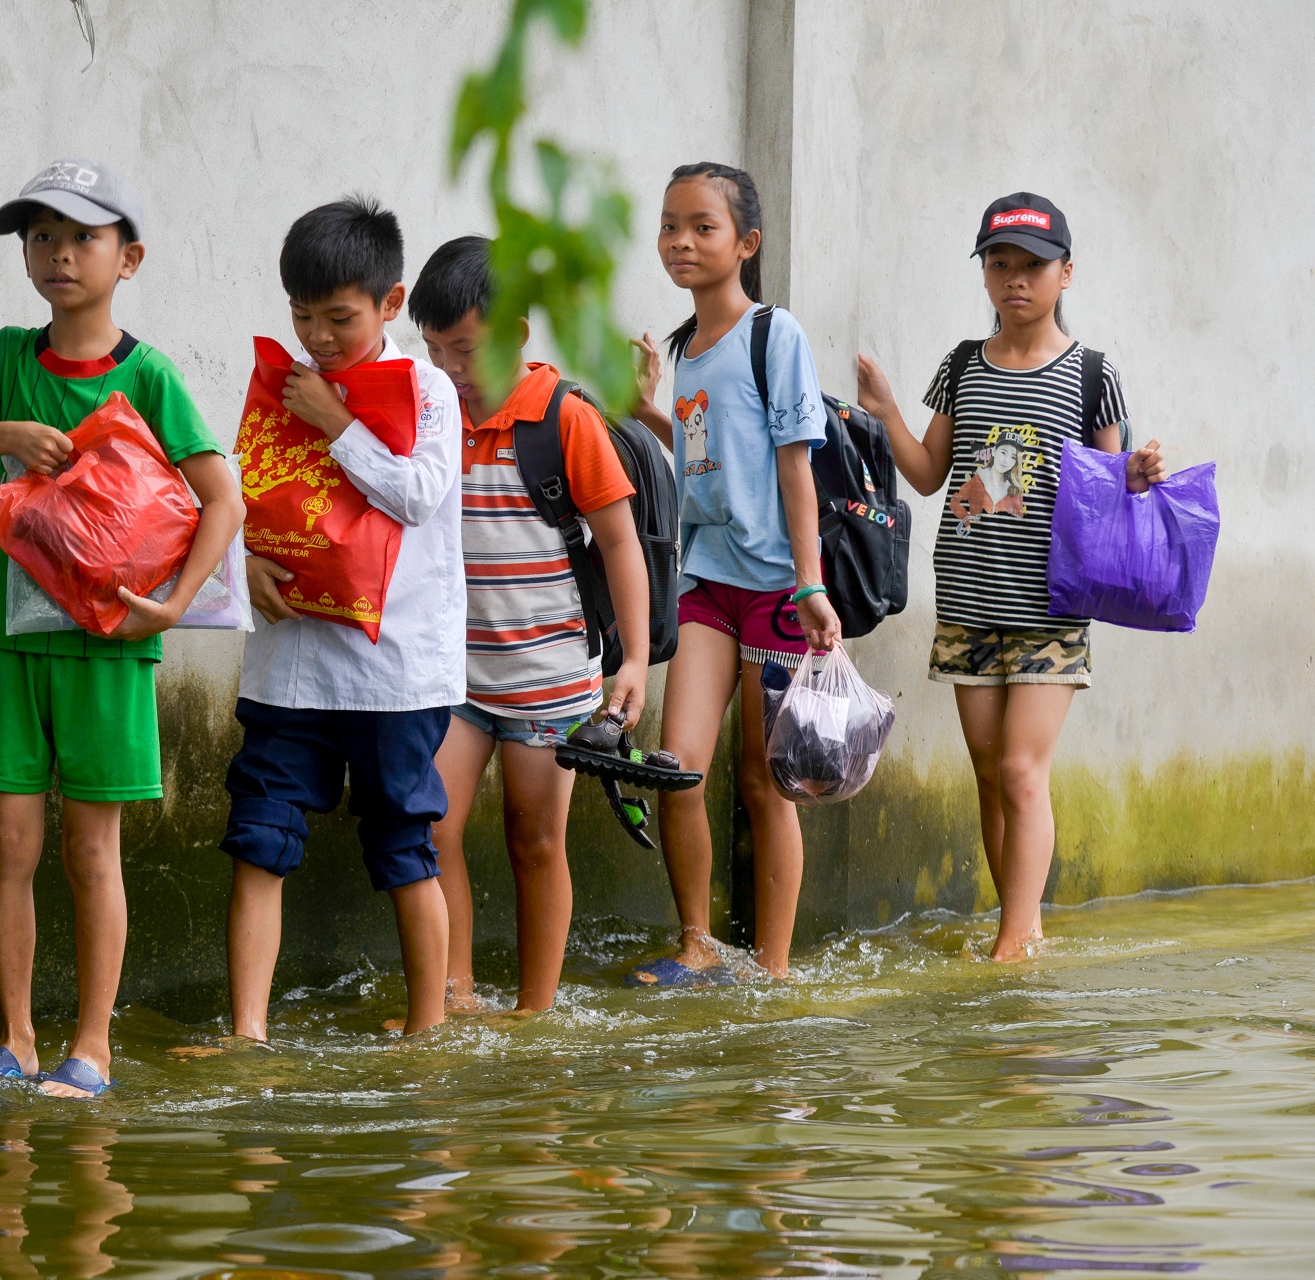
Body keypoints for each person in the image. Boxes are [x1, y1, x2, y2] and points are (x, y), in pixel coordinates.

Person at [0, 158, 244, 1096]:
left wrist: (171, 605)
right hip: (11, 641)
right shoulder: (5, 358)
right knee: (8, 842)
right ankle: (15, 1041)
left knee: (93, 849)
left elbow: (222, 500)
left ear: (130, 258)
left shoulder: (150, 374)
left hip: (108, 649)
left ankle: (93, 1046)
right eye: (40, 236)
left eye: (82, 237)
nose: (58, 254)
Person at [854, 191, 1167, 961]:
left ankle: (1012, 941)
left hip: (1051, 607)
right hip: (967, 598)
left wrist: (1134, 475)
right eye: (1000, 265)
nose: (1015, 280)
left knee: (1025, 770)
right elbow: (928, 475)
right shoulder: (961, 364)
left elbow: (1105, 488)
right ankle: (1019, 927)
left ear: (1067, 273)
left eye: (1033, 266)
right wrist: (888, 409)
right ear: (985, 276)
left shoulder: (1094, 373)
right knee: (992, 776)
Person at [220, 197, 465, 1042]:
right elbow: (238, 498)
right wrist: (242, 566)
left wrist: (341, 425)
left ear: (391, 305)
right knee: (260, 836)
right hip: (291, 665)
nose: (318, 335)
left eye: (339, 317)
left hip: (397, 671)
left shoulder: (429, 389)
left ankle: (427, 1031)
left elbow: (421, 495)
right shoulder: (281, 384)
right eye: (301, 315)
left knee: (404, 847)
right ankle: (247, 1032)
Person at [408, 235, 653, 1013]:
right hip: (458, 676)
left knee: (534, 839)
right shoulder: (432, 413)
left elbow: (619, 541)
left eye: (466, 350)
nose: (450, 368)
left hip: (551, 683)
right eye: (436, 350)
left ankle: (534, 1010)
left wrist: (636, 662)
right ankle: (455, 995)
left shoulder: (562, 420)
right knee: (431, 829)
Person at [631, 162, 841, 984]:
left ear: (746, 243)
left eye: (702, 227)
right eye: (669, 225)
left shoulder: (773, 334)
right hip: (706, 581)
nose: (681, 241)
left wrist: (811, 582)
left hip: (779, 588)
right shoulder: (685, 349)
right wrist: (650, 410)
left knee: (767, 783)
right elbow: (703, 460)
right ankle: (697, 942)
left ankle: (776, 969)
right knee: (678, 767)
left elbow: (797, 467)